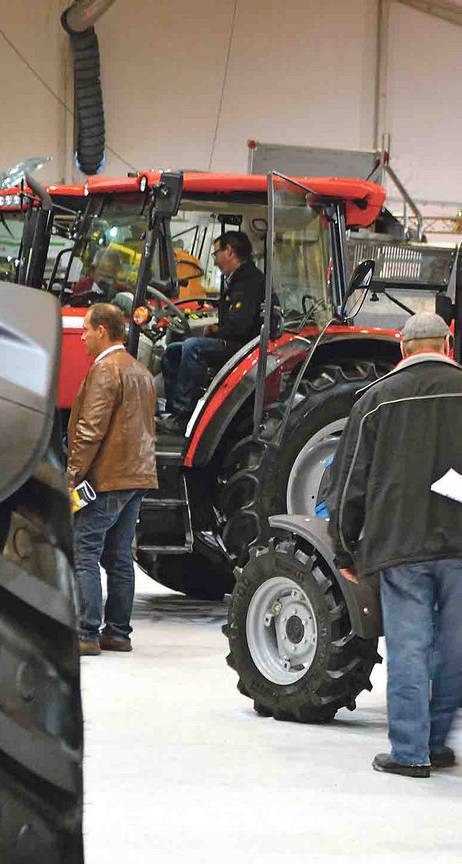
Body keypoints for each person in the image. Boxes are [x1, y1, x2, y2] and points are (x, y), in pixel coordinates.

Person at [327, 312, 462, 778]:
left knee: (409, 646)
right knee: (450, 649)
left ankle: (410, 752)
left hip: (400, 546)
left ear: (403, 349)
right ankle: (436, 744)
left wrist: (344, 548)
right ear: (449, 344)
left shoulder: (376, 400)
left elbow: (349, 479)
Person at [67, 303, 158, 656]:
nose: (83, 335)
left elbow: (90, 431)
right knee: (119, 555)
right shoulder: (141, 372)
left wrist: (72, 476)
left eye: (87, 329)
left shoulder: (106, 370)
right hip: (137, 477)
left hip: (106, 479)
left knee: (84, 548)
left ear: (102, 330)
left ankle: (86, 632)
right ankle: (117, 633)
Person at [159, 230, 265, 430]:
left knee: (193, 347)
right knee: (173, 351)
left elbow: (239, 325)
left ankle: (185, 415)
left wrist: (215, 330)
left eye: (216, 254)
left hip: (242, 346)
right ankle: (173, 411)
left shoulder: (248, 281)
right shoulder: (236, 279)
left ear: (229, 252)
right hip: (234, 340)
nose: (215, 260)